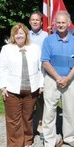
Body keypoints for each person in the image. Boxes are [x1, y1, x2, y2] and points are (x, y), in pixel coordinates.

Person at [0, 23, 44, 147]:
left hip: (31, 89)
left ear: (26, 35)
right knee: (13, 118)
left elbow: (41, 68)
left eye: (21, 33)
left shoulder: (35, 48)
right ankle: (16, 144)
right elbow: (2, 69)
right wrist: (3, 87)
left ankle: (28, 139)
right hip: (12, 89)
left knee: (28, 116)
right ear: (13, 35)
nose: (19, 35)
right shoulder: (6, 49)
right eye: (16, 33)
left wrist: (41, 84)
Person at [41, 11, 74, 147]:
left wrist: (68, 78)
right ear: (54, 24)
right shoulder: (48, 40)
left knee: (70, 110)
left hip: (70, 80)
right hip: (52, 79)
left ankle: (69, 137)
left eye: (63, 22)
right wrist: (58, 77)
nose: (61, 25)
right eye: (58, 22)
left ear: (68, 23)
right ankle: (49, 142)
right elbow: (45, 61)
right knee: (50, 111)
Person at [29, 11, 48, 139]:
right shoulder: (25, 35)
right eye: (33, 19)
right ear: (30, 22)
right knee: (29, 100)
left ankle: (41, 124)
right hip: (29, 72)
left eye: (37, 20)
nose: (35, 21)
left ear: (41, 22)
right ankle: (28, 126)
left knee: (41, 100)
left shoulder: (46, 35)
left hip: (42, 72)